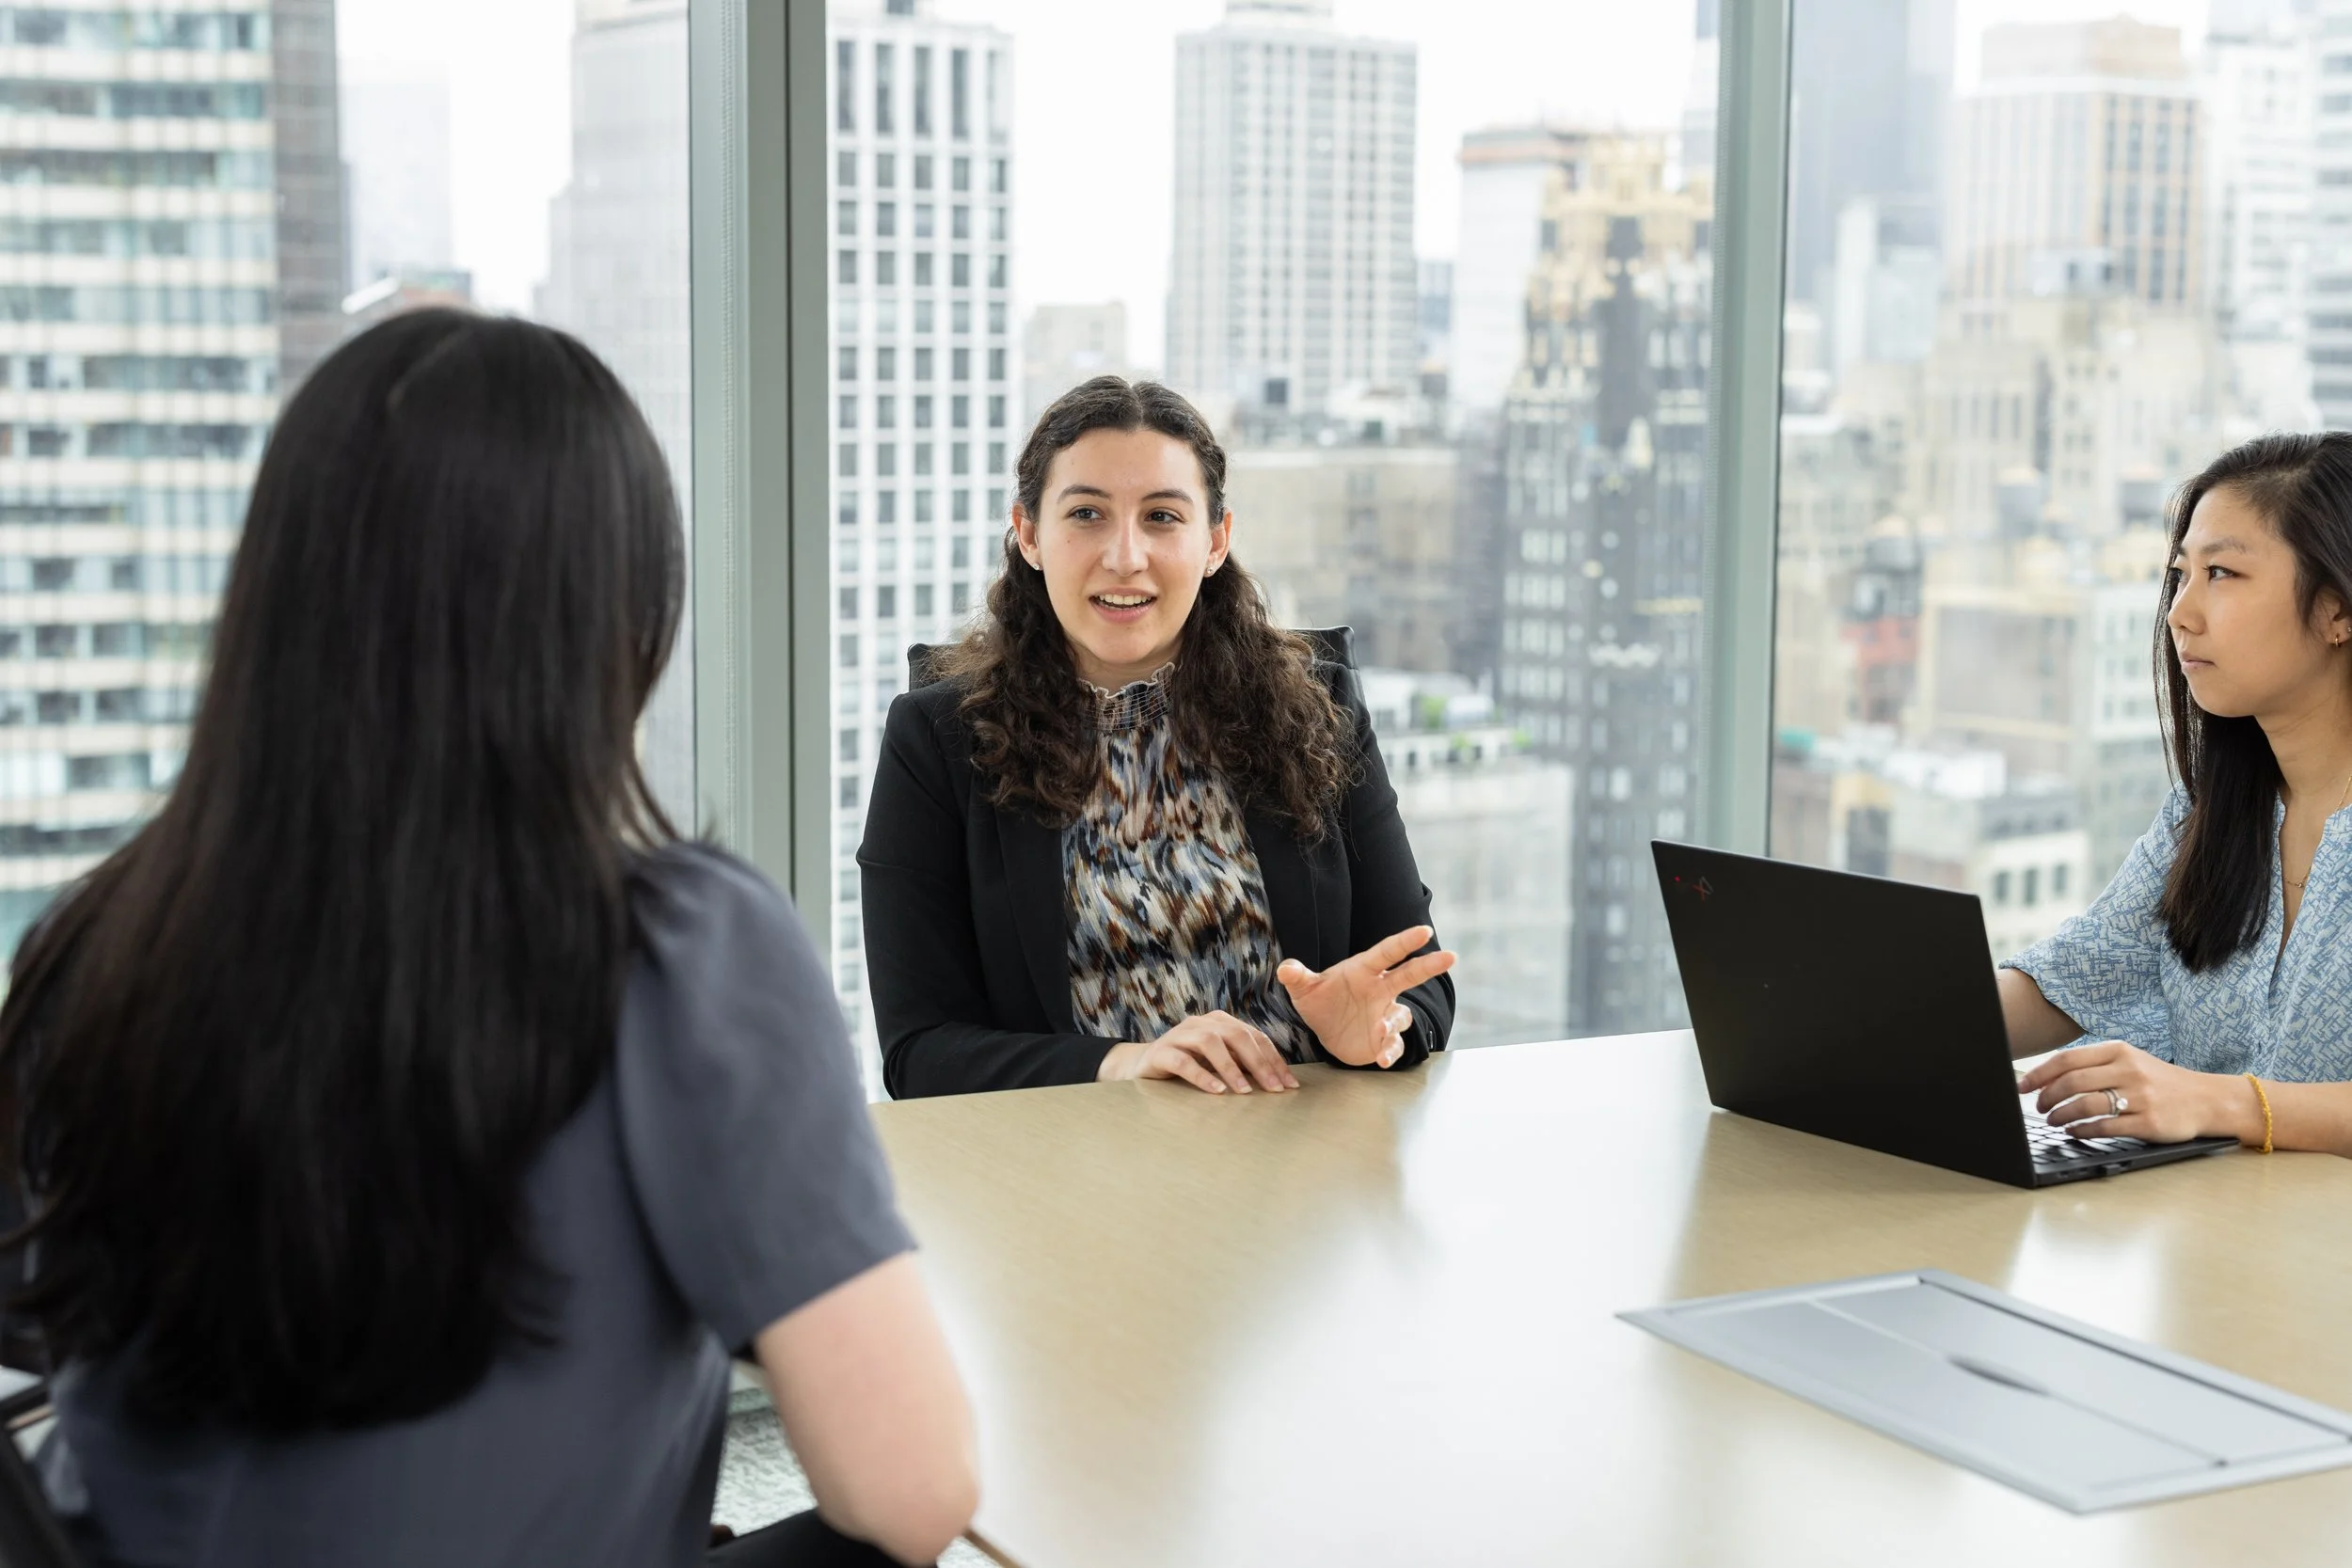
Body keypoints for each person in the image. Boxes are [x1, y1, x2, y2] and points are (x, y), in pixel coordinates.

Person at [0, 309, 977, 1567]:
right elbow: (915, 1486)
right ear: (611, 616)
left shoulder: (94, 943)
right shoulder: (678, 951)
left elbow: (37, 1333)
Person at [859, 375, 1456, 1100]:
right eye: (1086, 513)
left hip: (1304, 1168)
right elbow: (920, 1052)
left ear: (1215, 541)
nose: (1125, 556)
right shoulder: (936, 742)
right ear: (1028, 534)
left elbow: (1421, 981)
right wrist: (1126, 1063)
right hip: (1067, 1175)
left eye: (1163, 517)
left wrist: (1374, 1030)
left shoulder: (1316, 704)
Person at [2004, 431, 2352, 1157]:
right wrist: (1867, 1027)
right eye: (2180, 574)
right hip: (2217, 1241)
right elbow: (2070, 978)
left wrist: (2222, 1101)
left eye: (2221, 573)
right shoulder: (2207, 812)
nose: (2180, 612)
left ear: (2336, 609)